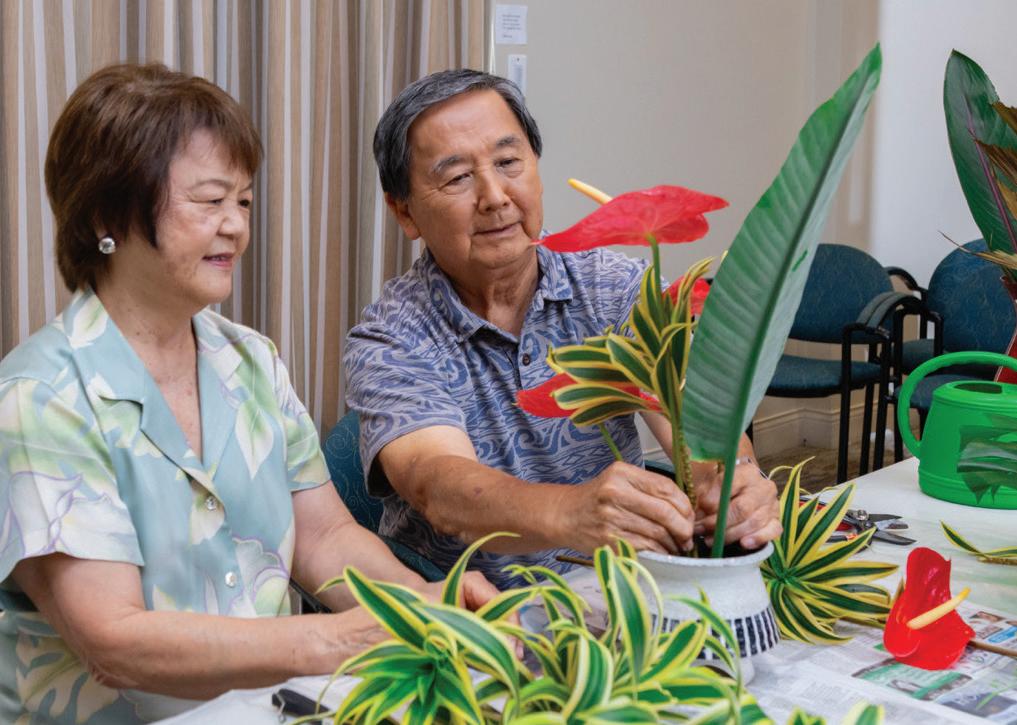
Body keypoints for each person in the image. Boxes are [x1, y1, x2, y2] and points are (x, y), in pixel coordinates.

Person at [0, 63, 496, 724]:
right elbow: (113, 641)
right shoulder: (40, 397)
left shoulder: (250, 360)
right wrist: (333, 641)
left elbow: (324, 538)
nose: (235, 226)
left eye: (244, 202)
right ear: (105, 214)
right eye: (210, 201)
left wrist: (420, 603)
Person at [345, 69, 782, 590]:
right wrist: (572, 512)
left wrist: (735, 481)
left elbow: (701, 425)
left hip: (620, 596)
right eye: (458, 177)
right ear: (404, 211)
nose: (495, 196)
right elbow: (440, 486)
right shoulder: (390, 337)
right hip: (473, 612)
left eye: (508, 162)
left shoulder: (616, 288)